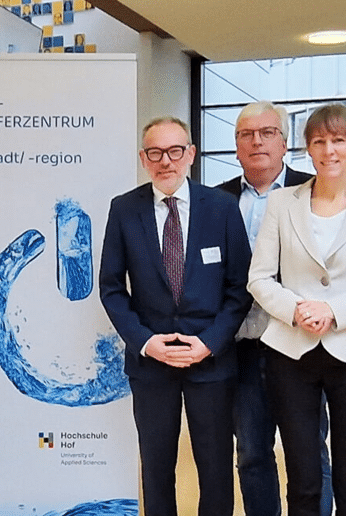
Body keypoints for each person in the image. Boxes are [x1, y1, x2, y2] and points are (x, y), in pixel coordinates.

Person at [247, 104, 346, 516]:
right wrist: (298, 310)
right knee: (303, 478)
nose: (328, 150)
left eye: (337, 140)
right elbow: (259, 278)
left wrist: (332, 312)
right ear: (307, 149)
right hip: (289, 352)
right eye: (318, 141)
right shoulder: (282, 203)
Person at [99, 117, 252, 516]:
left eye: (174, 151)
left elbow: (240, 288)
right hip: (151, 365)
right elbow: (112, 288)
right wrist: (146, 342)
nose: (165, 161)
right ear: (143, 158)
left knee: (216, 469)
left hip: (211, 362)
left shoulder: (221, 208)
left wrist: (210, 343)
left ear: (190, 155)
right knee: (156, 469)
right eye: (155, 153)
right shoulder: (123, 210)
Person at [216, 101, 315, 516]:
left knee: (308, 455)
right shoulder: (214, 200)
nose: (256, 141)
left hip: (301, 347)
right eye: (246, 134)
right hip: (240, 347)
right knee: (252, 452)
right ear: (236, 146)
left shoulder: (313, 192)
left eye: (267, 132)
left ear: (285, 142)